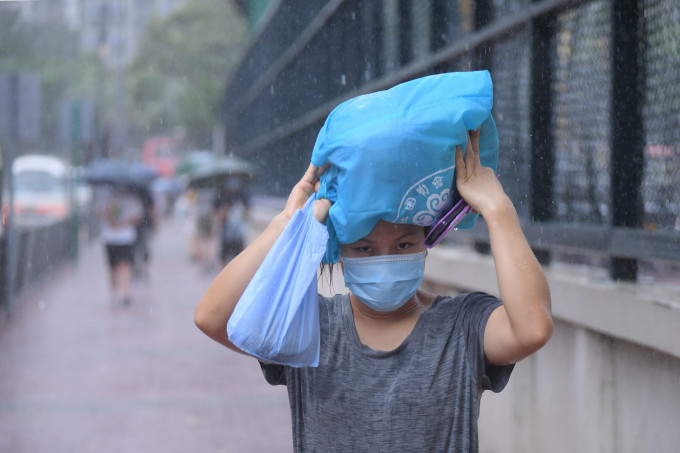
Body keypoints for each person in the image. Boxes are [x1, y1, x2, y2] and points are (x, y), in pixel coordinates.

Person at [195, 72, 552, 451]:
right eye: (365, 248)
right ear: (341, 249)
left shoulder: (461, 326)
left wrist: (497, 209)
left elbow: (531, 329)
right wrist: (287, 225)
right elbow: (212, 317)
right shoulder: (308, 328)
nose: (385, 259)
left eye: (403, 245)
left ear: (426, 242)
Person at [97, 185, 143, 305]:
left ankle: (125, 293)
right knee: (114, 267)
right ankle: (115, 293)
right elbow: (98, 213)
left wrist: (124, 222)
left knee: (124, 265)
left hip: (124, 238)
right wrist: (108, 215)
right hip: (111, 238)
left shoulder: (131, 200)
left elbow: (138, 217)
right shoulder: (108, 200)